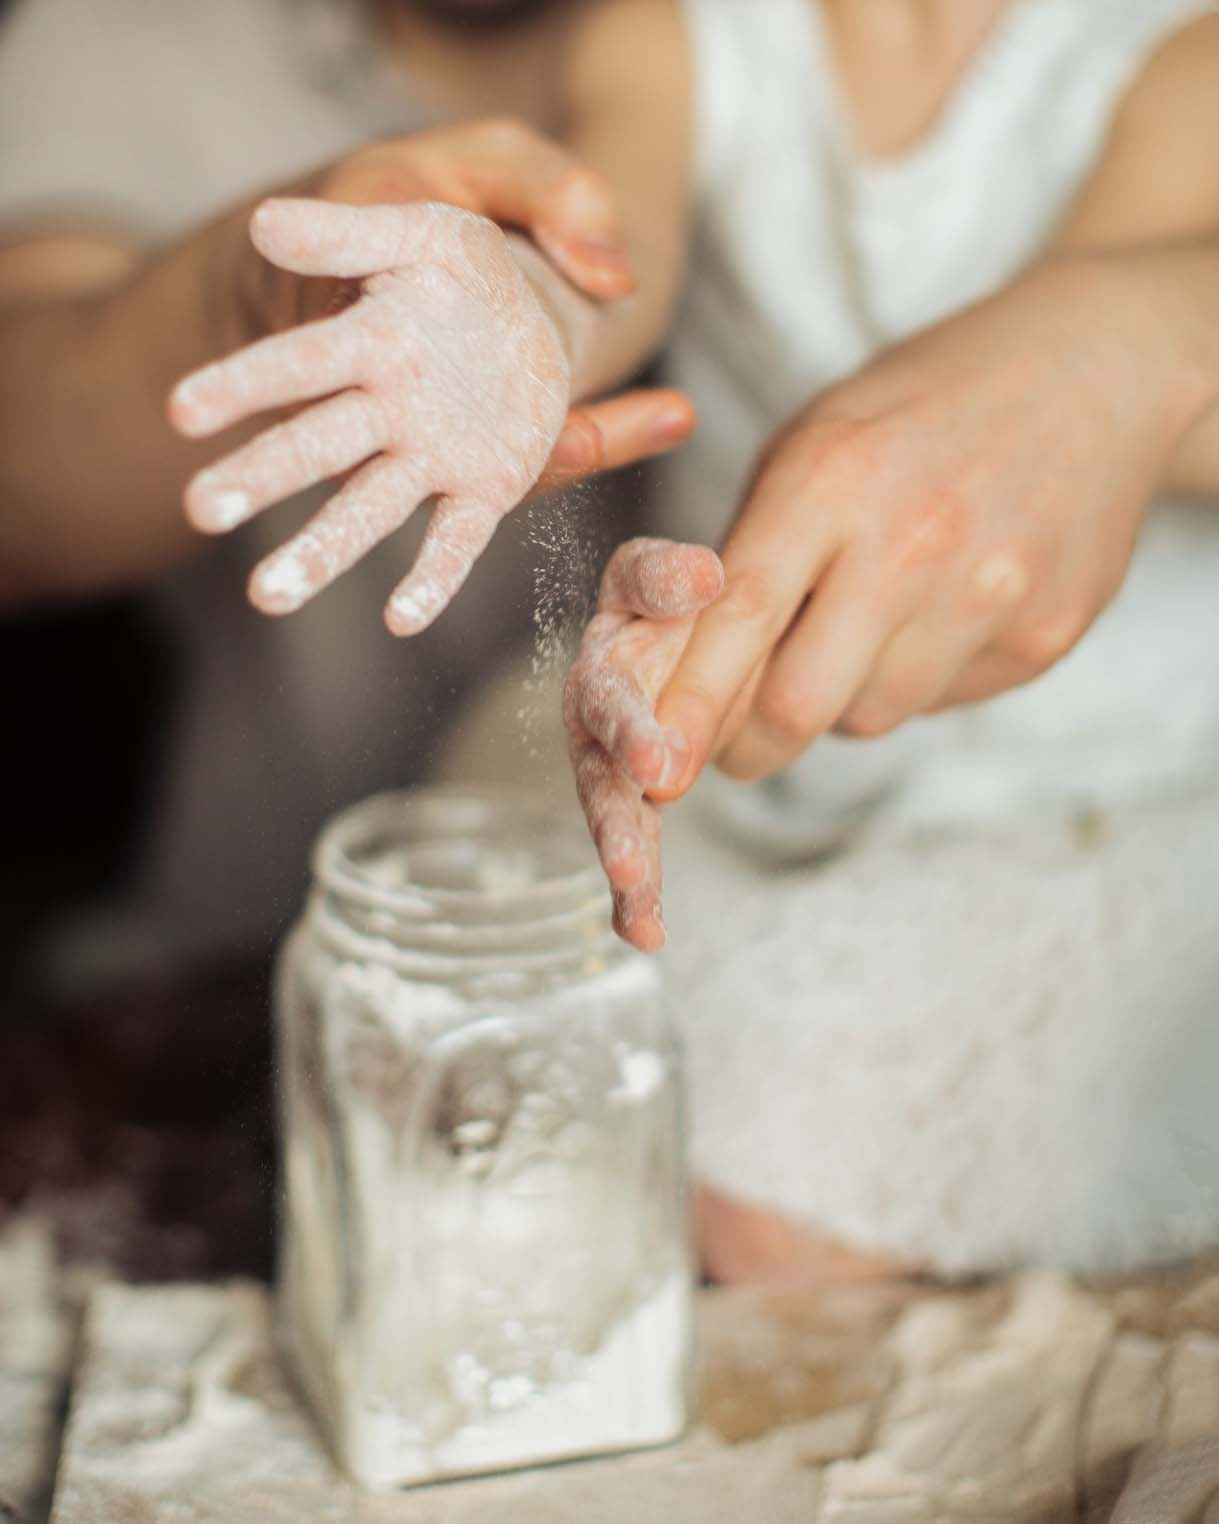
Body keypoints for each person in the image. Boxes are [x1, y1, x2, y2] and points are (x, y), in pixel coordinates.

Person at [158, 0, 1219, 1284]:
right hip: (737, 742)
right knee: (458, 1046)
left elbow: (1098, 368)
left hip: (1089, 783)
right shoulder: (676, 30)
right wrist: (521, 315)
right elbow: (613, 243)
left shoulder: (1172, 51)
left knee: (762, 1199)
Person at [0, 0, 693, 993]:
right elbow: (17, 490)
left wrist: (538, 304)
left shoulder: (730, 39)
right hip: (268, 943)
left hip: (686, 912)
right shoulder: (117, 36)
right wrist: (251, 295)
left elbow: (622, 245)